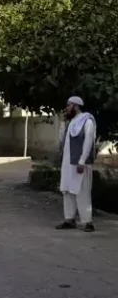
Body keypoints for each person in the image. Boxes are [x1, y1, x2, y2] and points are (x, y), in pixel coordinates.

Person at [56, 96, 97, 232]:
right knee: (67, 190)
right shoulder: (71, 122)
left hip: (80, 163)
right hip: (68, 163)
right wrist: (63, 123)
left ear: (76, 106)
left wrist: (82, 161)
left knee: (82, 191)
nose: (67, 108)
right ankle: (69, 219)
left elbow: (88, 142)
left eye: (69, 106)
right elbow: (62, 140)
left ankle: (87, 222)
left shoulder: (87, 121)